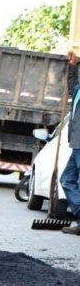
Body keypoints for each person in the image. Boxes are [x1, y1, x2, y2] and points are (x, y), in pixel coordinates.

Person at [59, 50, 80, 234]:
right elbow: (73, 84)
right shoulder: (79, 92)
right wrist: (73, 66)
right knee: (66, 179)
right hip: (77, 145)